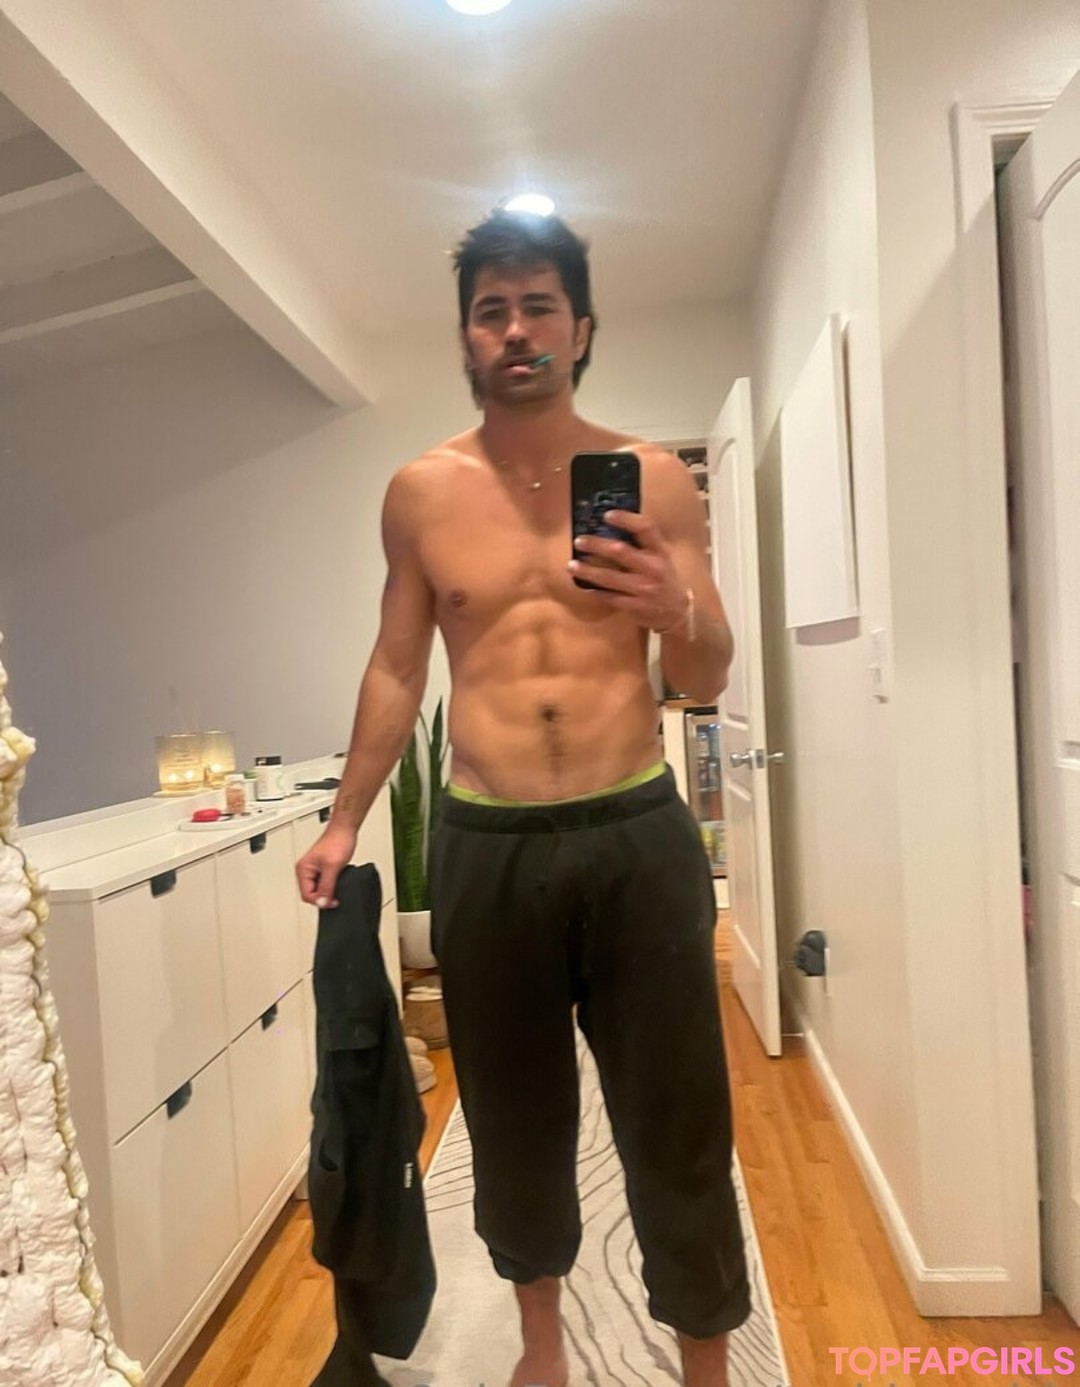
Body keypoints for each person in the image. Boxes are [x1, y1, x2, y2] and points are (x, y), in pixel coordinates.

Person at [296, 209, 751, 1387]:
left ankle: (705, 1359)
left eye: (538, 305)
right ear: (466, 336)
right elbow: (398, 667)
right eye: (491, 310)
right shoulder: (421, 492)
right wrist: (345, 817)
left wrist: (671, 607)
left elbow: (706, 673)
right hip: (486, 841)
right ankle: (542, 1344)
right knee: (513, 1118)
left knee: (678, 1114)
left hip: (633, 828)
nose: (515, 329)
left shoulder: (653, 477)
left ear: (581, 327)